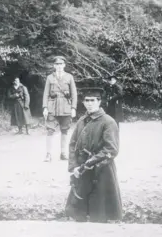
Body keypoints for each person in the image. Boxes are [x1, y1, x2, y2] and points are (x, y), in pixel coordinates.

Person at [65, 88, 122, 223]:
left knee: (101, 209)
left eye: (93, 100)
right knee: (78, 210)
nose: (89, 104)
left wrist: (90, 163)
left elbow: (111, 149)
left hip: (102, 169)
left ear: (99, 102)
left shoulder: (108, 122)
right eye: (86, 101)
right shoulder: (82, 121)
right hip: (81, 169)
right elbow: (73, 144)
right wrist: (74, 166)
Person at [42, 56, 78, 162]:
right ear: (54, 66)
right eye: (57, 64)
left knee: (65, 131)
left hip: (66, 107)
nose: (59, 66)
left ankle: (63, 153)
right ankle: (48, 154)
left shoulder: (69, 77)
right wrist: (45, 107)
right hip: (52, 107)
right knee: (50, 130)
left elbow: (74, 94)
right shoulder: (50, 77)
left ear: (64, 65)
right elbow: (45, 94)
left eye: (61, 64)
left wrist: (73, 108)